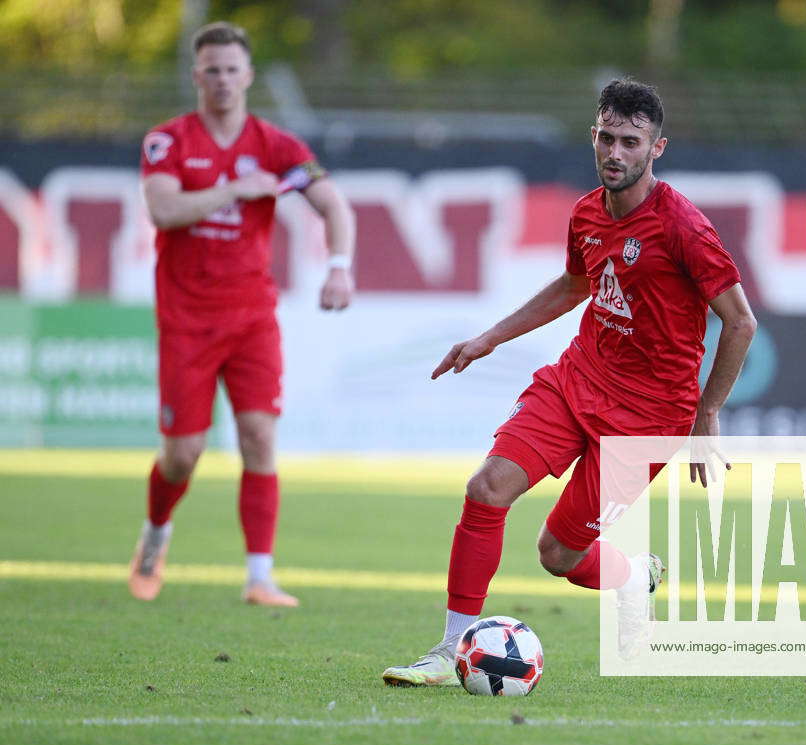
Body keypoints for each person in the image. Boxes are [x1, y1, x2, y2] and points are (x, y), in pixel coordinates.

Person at [382, 78, 755, 684]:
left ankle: (635, 578)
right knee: (486, 489)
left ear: (657, 148)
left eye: (630, 142)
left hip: (648, 421)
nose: (615, 153)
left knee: (559, 555)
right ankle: (450, 653)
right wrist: (489, 338)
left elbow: (740, 323)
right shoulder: (587, 213)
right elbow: (573, 285)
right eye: (606, 138)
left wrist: (707, 415)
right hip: (576, 380)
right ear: (593, 135)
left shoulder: (684, 227)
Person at [127, 21, 356, 607]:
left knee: (259, 437)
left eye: (233, 69)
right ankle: (156, 533)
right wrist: (234, 189)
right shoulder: (168, 141)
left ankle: (260, 576)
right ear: (196, 75)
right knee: (184, 455)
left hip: (252, 316)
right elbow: (164, 209)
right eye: (212, 70)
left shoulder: (278, 147)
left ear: (248, 76)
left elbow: (332, 203)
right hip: (186, 319)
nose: (223, 80)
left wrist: (338, 265)